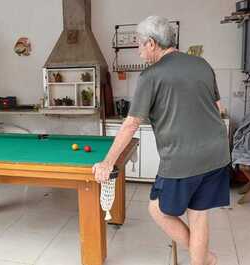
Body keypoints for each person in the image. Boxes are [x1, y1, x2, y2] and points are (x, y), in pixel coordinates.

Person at [93, 16, 230, 265]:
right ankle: (204, 260)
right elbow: (219, 108)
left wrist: (107, 162)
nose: (138, 50)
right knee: (199, 216)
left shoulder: (150, 75)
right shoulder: (201, 64)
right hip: (217, 153)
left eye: (140, 44)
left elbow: (131, 123)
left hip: (182, 159)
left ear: (153, 44)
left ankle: (205, 257)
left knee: (157, 210)